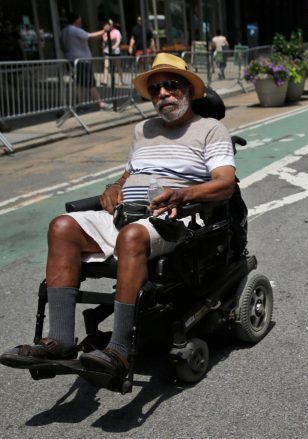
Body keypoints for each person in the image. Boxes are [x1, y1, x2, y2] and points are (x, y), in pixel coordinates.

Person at [0, 53, 236, 381]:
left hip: (174, 219)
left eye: (170, 85)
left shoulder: (211, 129)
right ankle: (60, 341)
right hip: (126, 216)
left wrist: (181, 194)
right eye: (155, 90)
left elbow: (224, 185)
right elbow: (131, 174)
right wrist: (114, 185)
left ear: (188, 89)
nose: (162, 94)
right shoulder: (143, 130)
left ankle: (120, 351)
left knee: (131, 236)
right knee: (62, 226)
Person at [60, 13, 111, 110]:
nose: (81, 21)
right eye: (80, 19)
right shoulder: (74, 30)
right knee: (90, 83)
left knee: (79, 83)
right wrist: (104, 31)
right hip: (82, 61)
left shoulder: (64, 31)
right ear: (76, 20)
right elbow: (90, 36)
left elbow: (61, 45)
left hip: (71, 60)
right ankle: (100, 103)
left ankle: (80, 104)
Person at [101, 20, 123, 86]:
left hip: (116, 52)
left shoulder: (117, 31)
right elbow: (104, 42)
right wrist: (103, 49)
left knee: (118, 66)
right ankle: (105, 81)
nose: (110, 25)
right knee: (106, 66)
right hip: (107, 51)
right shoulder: (104, 32)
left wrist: (115, 46)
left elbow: (118, 40)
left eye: (111, 23)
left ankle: (120, 81)